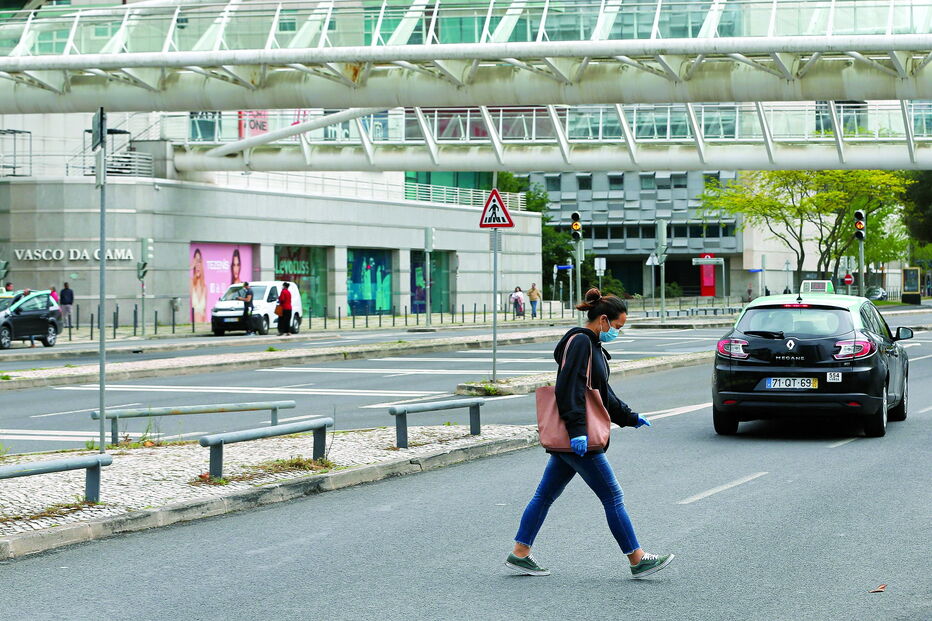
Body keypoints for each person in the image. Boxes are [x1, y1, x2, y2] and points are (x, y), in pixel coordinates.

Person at [505, 288, 674, 580]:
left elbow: (601, 393)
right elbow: (569, 388)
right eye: (618, 327)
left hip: (572, 438)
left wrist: (630, 417)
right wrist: (577, 432)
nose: (618, 332)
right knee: (612, 496)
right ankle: (637, 558)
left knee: (545, 495)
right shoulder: (581, 342)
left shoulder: (592, 344)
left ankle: (520, 553)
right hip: (577, 438)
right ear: (604, 320)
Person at [190, 248, 207, 323]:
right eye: (195, 261)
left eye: (199, 261)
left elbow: (205, 313)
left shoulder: (205, 288)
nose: (197, 264)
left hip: (201, 326)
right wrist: (190, 267)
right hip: (192, 325)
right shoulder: (190, 283)